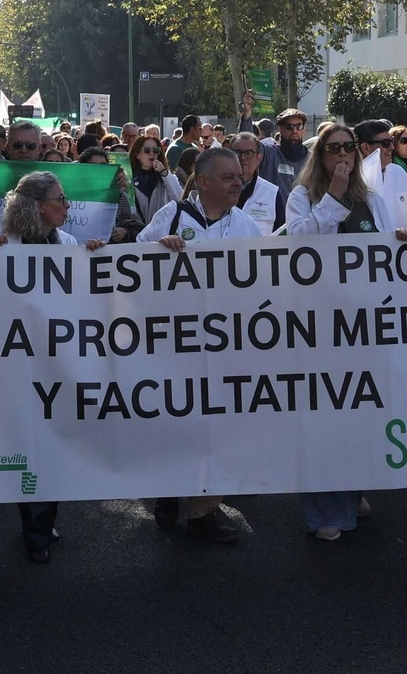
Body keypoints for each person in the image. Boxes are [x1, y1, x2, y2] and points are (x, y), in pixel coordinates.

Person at [282, 125, 407, 539]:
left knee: (358, 413)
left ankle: (351, 492)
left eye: (348, 148)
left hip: (364, 325)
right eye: (332, 148)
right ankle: (323, 511)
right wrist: (333, 197)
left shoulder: (371, 199)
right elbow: (298, 244)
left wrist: (401, 242)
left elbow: (388, 250)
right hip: (318, 326)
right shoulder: (302, 197)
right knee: (322, 417)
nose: (342, 154)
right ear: (319, 155)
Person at [138, 148, 265, 544]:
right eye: (227, 176)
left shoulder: (246, 226)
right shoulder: (171, 216)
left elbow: (263, 281)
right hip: (174, 342)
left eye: (238, 176)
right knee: (173, 419)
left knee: (216, 426)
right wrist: (159, 249)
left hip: (226, 344)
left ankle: (205, 511)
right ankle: (167, 489)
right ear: (204, 181)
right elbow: (131, 262)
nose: (237, 182)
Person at [0, 171, 108, 562]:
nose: (67, 204)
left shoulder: (69, 244)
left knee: (55, 439)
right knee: (30, 441)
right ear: (39, 206)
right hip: (22, 362)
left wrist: (94, 256)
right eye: (60, 198)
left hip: (61, 360)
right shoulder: (7, 246)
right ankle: (35, 530)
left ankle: (42, 521)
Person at [355, 119, 407, 231]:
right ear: (366, 148)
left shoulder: (399, 173)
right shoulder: (353, 179)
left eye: (391, 141)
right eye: (385, 143)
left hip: (400, 247)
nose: (392, 147)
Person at [258, 107, 310, 218]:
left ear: (304, 129)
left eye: (299, 126)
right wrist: (246, 116)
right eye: (289, 127)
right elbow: (248, 144)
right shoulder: (269, 153)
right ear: (280, 129)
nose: (294, 131)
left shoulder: (312, 159)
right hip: (273, 223)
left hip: (303, 224)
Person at [124, 134, 183, 232]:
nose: (152, 154)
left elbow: (179, 197)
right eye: (147, 151)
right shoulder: (128, 177)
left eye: (156, 151)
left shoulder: (166, 177)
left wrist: (164, 173)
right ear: (137, 154)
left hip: (161, 232)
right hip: (135, 233)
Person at [225, 132, 281, 231]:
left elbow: (281, 235)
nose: (242, 157)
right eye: (237, 152)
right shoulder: (217, 188)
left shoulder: (272, 193)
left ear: (259, 158)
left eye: (249, 153)